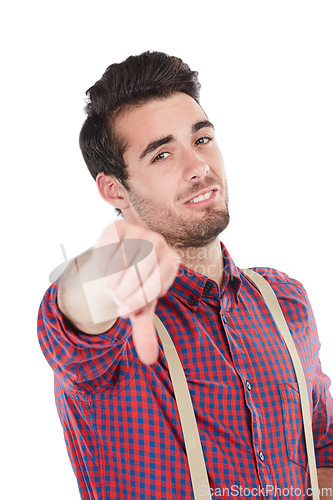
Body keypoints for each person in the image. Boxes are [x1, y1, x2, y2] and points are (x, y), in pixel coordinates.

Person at [37, 51, 333, 499]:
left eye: (201, 139)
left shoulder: (284, 300)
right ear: (115, 188)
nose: (198, 167)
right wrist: (109, 263)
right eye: (161, 154)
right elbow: (74, 311)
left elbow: (322, 449)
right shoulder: (111, 329)